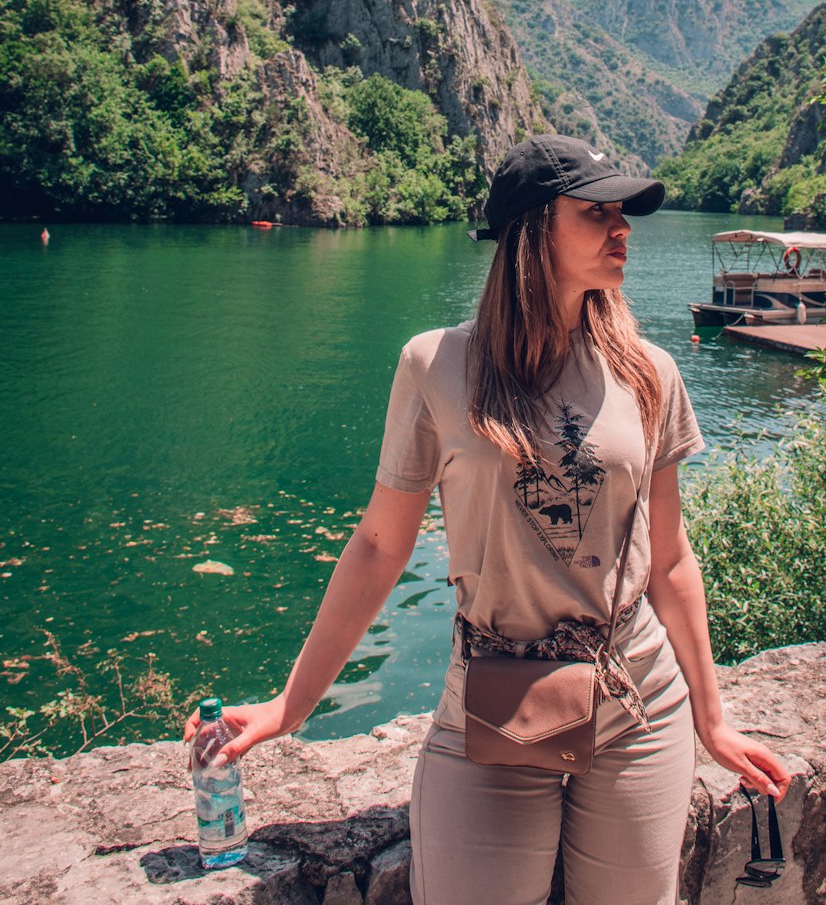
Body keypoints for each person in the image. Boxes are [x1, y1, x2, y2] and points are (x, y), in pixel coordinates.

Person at [184, 135, 790, 904]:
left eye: (623, 213)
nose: (623, 229)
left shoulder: (649, 370)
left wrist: (714, 718)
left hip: (640, 704)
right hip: (495, 706)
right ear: (535, 233)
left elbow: (669, 560)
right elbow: (378, 546)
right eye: (597, 212)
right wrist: (291, 705)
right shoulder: (436, 366)